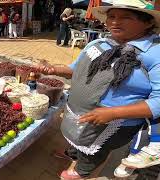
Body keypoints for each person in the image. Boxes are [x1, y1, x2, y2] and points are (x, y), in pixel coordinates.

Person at [35, 0, 160, 179]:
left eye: (126, 17)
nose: (115, 22)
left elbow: (158, 102)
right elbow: (75, 69)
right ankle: (74, 154)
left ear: (148, 22)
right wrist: (54, 69)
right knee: (77, 139)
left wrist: (114, 113)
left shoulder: (155, 53)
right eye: (111, 17)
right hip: (79, 112)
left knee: (94, 152)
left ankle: (80, 172)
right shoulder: (99, 43)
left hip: (113, 124)